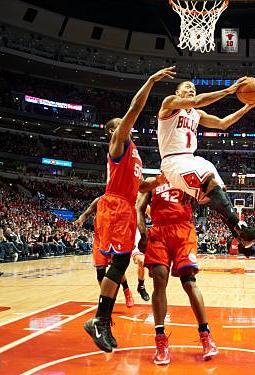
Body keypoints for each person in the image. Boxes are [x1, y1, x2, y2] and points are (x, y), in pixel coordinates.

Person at [83, 66, 175, 353]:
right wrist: (150, 81)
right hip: (114, 207)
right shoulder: (118, 141)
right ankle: (99, 319)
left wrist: (162, 178)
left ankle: (100, 320)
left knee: (120, 263)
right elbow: (135, 108)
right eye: (123, 123)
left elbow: (141, 186)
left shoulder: (133, 151)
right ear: (114, 130)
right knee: (119, 263)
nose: (129, 124)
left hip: (124, 207)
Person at [157, 79, 255, 248]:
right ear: (177, 93)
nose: (191, 89)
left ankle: (243, 233)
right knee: (209, 183)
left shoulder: (197, 114)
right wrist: (229, 90)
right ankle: (243, 232)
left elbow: (222, 124)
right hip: (173, 161)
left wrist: (246, 107)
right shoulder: (169, 103)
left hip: (191, 159)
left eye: (194, 88)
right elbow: (197, 101)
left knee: (218, 189)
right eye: (187, 87)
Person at [137, 177, 218, 365]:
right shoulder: (152, 183)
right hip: (158, 232)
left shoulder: (185, 178)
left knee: (189, 283)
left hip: (183, 230)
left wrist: (215, 188)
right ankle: (160, 340)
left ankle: (205, 335)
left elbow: (206, 195)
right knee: (159, 282)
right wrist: (143, 234)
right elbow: (139, 210)